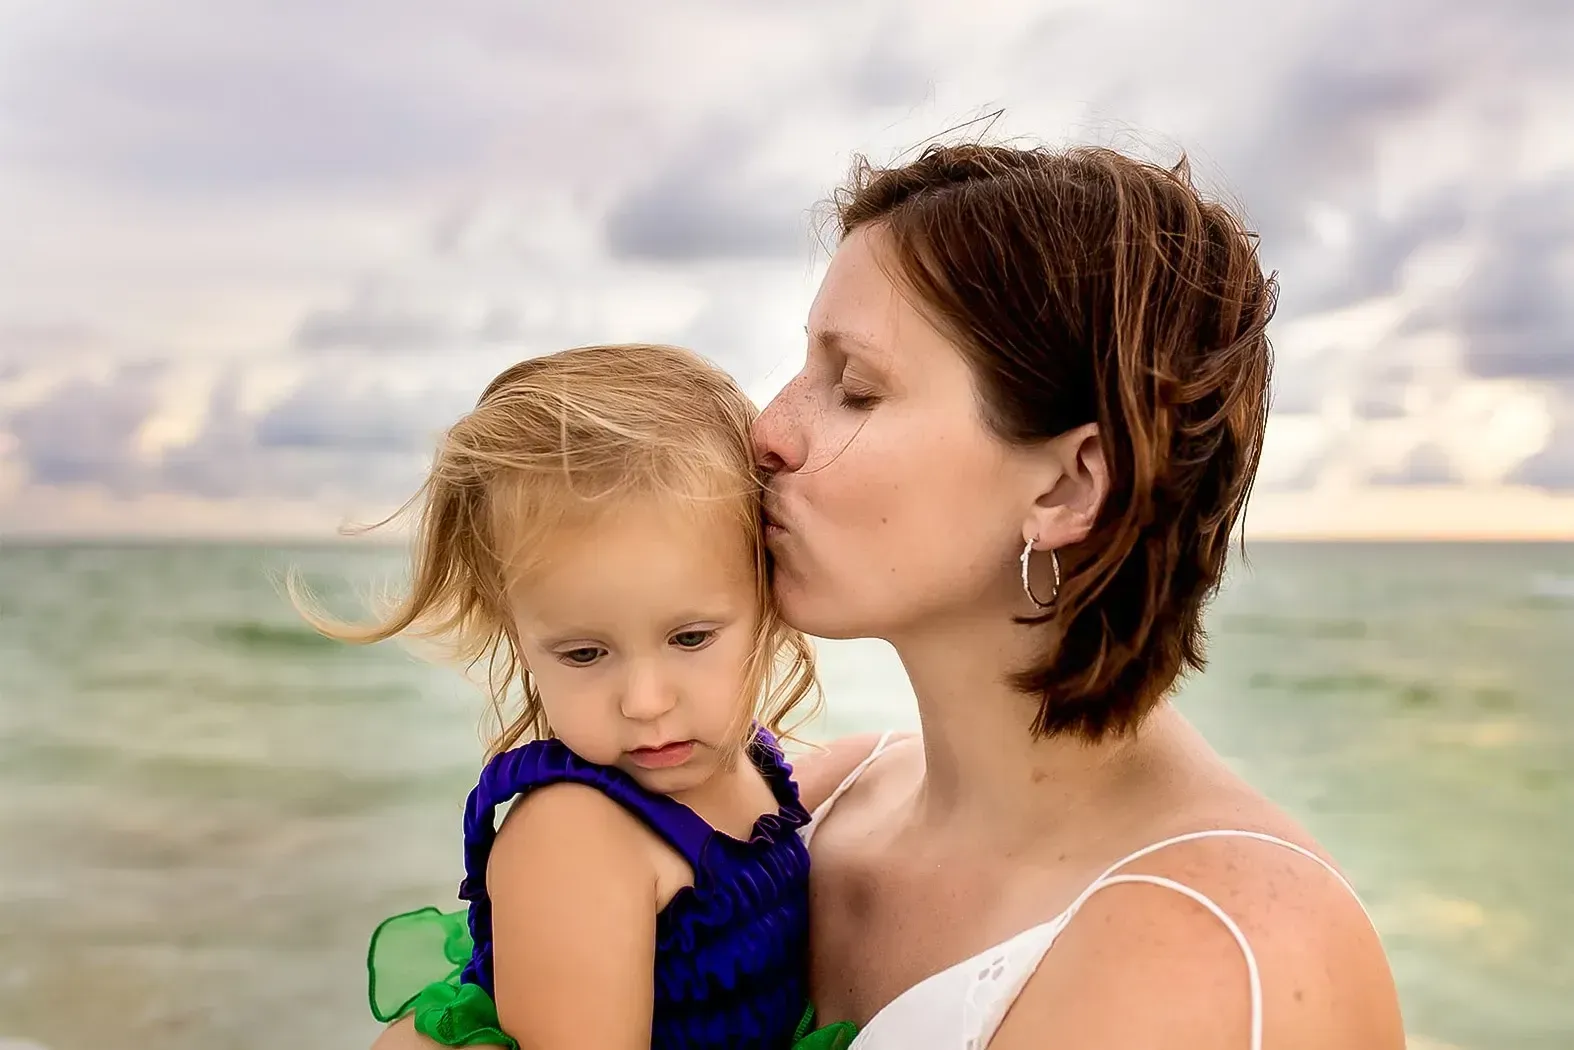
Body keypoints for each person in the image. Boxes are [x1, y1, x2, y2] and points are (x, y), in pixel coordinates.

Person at [375, 140, 1408, 1050]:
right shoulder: (805, 802)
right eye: (799, 367)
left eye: (853, 387)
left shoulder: (1221, 949)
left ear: (1063, 484)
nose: (767, 429)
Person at [300, 344, 824, 1050]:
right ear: (513, 627)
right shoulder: (576, 836)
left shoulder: (754, 764)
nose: (643, 700)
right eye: (584, 653)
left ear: (768, 592)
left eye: (691, 638)